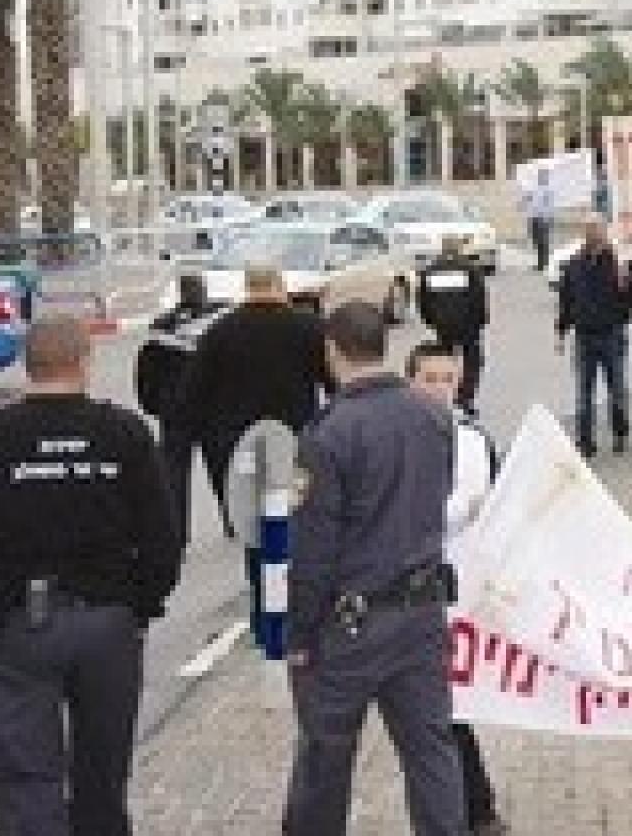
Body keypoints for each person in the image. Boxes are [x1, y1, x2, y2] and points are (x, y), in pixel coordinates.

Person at [0, 317, 182, 835]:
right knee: (102, 774)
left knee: (26, 779)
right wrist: (141, 604)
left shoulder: (0, 436)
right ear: (84, 362)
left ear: (28, 365)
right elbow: (161, 534)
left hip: (17, 626)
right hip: (107, 621)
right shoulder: (122, 433)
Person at [284, 303, 466, 836]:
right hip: (421, 611)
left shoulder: (330, 432)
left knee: (325, 757)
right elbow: (436, 499)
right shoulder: (434, 417)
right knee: (431, 752)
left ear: (332, 351)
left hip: (351, 625)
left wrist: (300, 631)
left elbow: (315, 546)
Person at [406, 344, 508, 836]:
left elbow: (472, 504)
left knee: (443, 710)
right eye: (429, 379)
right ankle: (472, 807)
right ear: (410, 383)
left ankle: (472, 809)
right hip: (405, 593)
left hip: (454, 589)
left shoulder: (471, 441)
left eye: (447, 379)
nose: (439, 389)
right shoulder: (397, 437)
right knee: (437, 712)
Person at [175, 264, 330, 534]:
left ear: (247, 288)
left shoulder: (219, 332)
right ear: (279, 285)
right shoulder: (310, 328)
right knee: (287, 510)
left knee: (253, 518)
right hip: (293, 435)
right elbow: (332, 382)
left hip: (237, 441)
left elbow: (193, 391)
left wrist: (192, 435)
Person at [135, 272, 227, 545]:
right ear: (204, 291)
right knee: (222, 465)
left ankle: (177, 529)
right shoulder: (221, 320)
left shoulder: (163, 327)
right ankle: (233, 520)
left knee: (174, 471)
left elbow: (146, 372)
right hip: (215, 407)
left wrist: (155, 405)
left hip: (174, 410)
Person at [555, 215, 632, 457]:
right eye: (588, 228)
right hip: (584, 335)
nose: (592, 232)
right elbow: (566, 300)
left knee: (617, 388)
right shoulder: (574, 264)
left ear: (605, 231)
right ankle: (585, 441)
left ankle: (620, 433)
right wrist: (561, 332)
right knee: (584, 392)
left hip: (612, 333)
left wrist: (628, 282)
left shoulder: (618, 262)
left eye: (596, 228)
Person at [416, 235, 490, 415]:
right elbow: (479, 298)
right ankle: (464, 399)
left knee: (446, 361)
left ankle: (447, 396)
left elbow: (423, 301)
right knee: (472, 362)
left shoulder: (430, 271)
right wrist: (480, 321)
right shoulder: (470, 269)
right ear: (459, 249)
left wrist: (431, 321)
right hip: (468, 326)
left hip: (443, 327)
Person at [523, 169, 555, 273]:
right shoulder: (535, 189)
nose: (542, 178)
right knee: (536, 241)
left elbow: (550, 206)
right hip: (534, 218)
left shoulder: (548, 190)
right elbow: (528, 201)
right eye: (541, 176)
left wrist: (548, 218)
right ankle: (541, 261)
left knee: (542, 242)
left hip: (542, 219)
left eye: (544, 176)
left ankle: (543, 263)